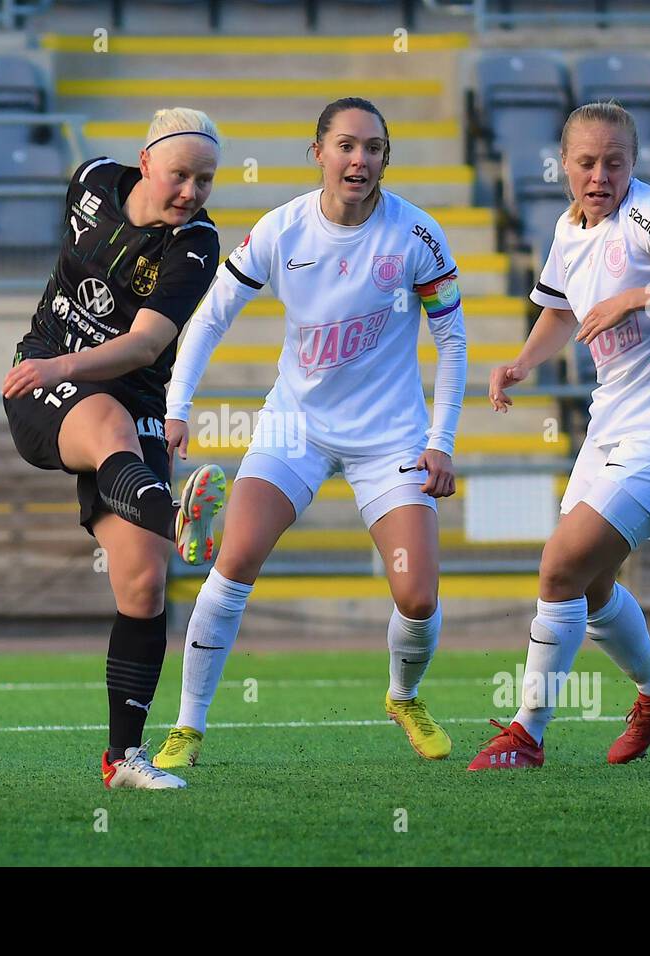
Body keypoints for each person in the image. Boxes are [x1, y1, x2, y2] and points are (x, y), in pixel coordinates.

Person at [152, 97, 468, 770]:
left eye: (374, 148)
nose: (360, 160)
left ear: (386, 158)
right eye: (347, 146)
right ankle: (187, 726)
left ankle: (403, 696)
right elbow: (210, 319)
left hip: (391, 438)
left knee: (417, 595)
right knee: (234, 562)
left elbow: (454, 342)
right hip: (295, 427)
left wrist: (441, 441)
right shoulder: (281, 230)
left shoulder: (418, 237)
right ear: (318, 153)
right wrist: (178, 404)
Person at [467, 101, 650, 770]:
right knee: (587, 586)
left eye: (614, 162)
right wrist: (523, 363)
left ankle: (527, 733)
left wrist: (637, 297)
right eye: (587, 162)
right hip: (611, 426)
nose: (600, 175)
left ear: (632, 164)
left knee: (559, 565)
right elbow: (561, 309)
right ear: (564, 165)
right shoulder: (567, 229)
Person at [1, 108, 227, 790]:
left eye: (205, 180)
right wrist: (56, 367)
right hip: (43, 379)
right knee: (107, 428)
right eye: (180, 174)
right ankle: (175, 516)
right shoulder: (93, 181)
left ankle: (121, 759)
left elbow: (147, 346)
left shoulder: (196, 247)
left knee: (144, 583)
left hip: (132, 396)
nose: (190, 191)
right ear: (146, 162)